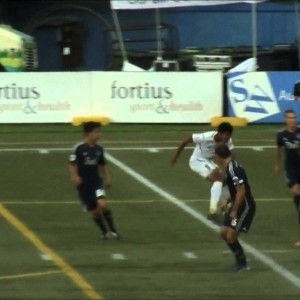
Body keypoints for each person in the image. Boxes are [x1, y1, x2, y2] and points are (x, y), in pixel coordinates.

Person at [171, 122, 234, 220]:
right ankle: (212, 211)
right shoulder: (205, 137)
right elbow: (185, 140)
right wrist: (175, 157)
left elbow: (229, 155)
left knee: (224, 180)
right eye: (228, 135)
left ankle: (225, 207)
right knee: (217, 178)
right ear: (222, 133)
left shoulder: (228, 141)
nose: (229, 138)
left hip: (208, 162)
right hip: (197, 161)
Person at [68, 121, 120, 240]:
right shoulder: (79, 148)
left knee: (102, 204)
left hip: (97, 183)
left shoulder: (99, 149)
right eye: (96, 132)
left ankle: (113, 230)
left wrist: (108, 178)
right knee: (94, 211)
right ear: (88, 134)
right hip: (84, 186)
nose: (99, 134)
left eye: (99, 131)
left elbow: (102, 164)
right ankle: (104, 232)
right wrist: (74, 176)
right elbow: (71, 163)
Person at [215, 144, 256, 272]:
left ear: (218, 156)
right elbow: (234, 191)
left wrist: (234, 210)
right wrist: (226, 201)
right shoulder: (228, 167)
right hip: (237, 205)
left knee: (231, 235)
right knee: (223, 233)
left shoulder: (234, 170)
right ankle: (240, 258)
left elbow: (241, 191)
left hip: (244, 207)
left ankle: (242, 262)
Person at [275, 109, 300, 247]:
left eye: (294, 117)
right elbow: (278, 149)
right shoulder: (281, 135)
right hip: (291, 170)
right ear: (286, 119)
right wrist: (277, 164)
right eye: (290, 117)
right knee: (296, 191)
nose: (292, 120)